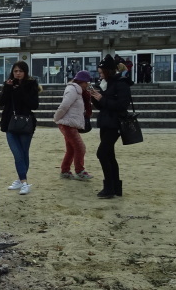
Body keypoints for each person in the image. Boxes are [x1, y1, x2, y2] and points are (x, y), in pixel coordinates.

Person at [90, 55, 132, 199]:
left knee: (102, 153)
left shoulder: (121, 83)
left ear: (108, 71)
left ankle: (109, 187)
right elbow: (102, 105)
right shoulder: (106, 83)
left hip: (116, 123)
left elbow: (122, 105)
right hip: (106, 122)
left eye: (101, 72)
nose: (100, 75)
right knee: (109, 155)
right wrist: (94, 97)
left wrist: (102, 98)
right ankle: (115, 188)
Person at [0, 61, 41, 195]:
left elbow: (34, 105)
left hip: (25, 124)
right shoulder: (8, 84)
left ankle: (22, 181)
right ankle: (23, 181)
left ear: (25, 72)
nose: (18, 73)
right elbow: (1, 102)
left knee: (23, 154)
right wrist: (8, 88)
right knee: (17, 154)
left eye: (20, 71)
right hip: (10, 124)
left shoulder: (31, 85)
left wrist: (20, 90)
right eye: (15, 71)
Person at [53, 71, 94, 180]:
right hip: (67, 123)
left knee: (71, 149)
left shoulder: (78, 91)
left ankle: (65, 170)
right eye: (87, 82)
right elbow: (64, 105)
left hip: (69, 123)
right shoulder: (73, 90)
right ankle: (79, 171)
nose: (88, 85)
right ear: (83, 82)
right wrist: (57, 118)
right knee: (80, 147)